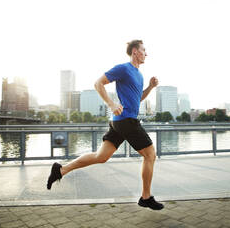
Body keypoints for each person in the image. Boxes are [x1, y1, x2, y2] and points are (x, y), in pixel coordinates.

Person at [47, 40, 164, 210]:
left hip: (119, 122)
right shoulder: (123, 68)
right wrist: (111, 104)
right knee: (150, 155)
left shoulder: (138, 75)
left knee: (101, 157)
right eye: (144, 50)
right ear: (135, 52)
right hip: (126, 120)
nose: (147, 53)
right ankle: (146, 197)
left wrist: (150, 87)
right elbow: (98, 83)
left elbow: (137, 99)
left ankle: (61, 170)